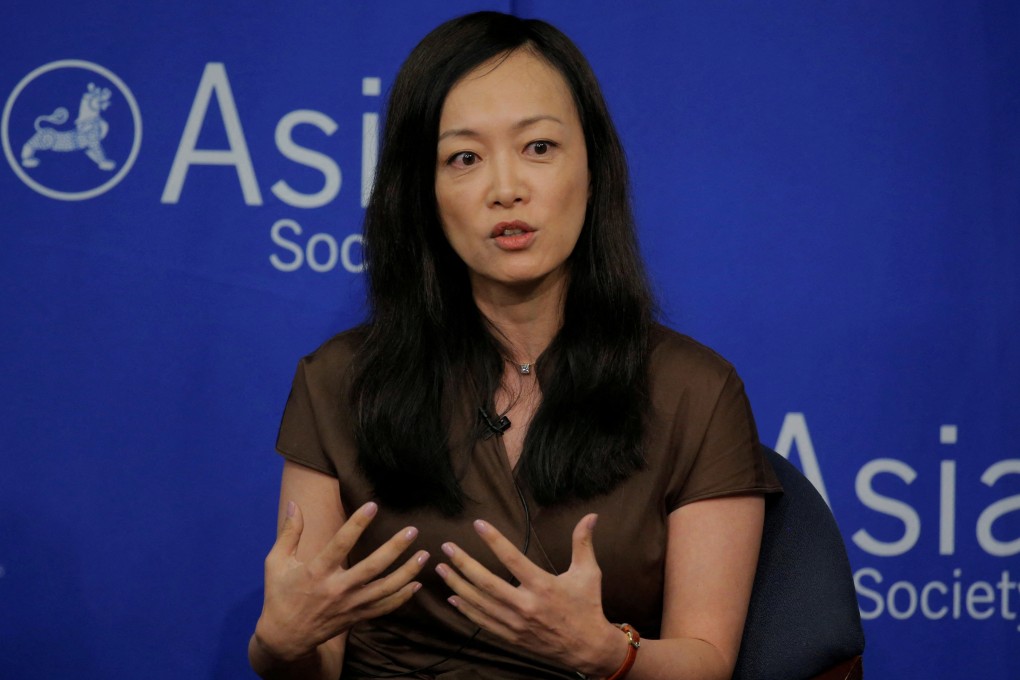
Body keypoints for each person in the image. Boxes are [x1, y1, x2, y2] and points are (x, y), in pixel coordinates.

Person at [249, 11, 781, 680]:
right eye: (464, 158)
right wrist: (279, 642)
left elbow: (706, 663)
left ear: (593, 166)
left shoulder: (694, 391)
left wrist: (608, 655)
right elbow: (307, 656)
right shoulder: (338, 383)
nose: (507, 190)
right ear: (424, 192)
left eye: (538, 148)